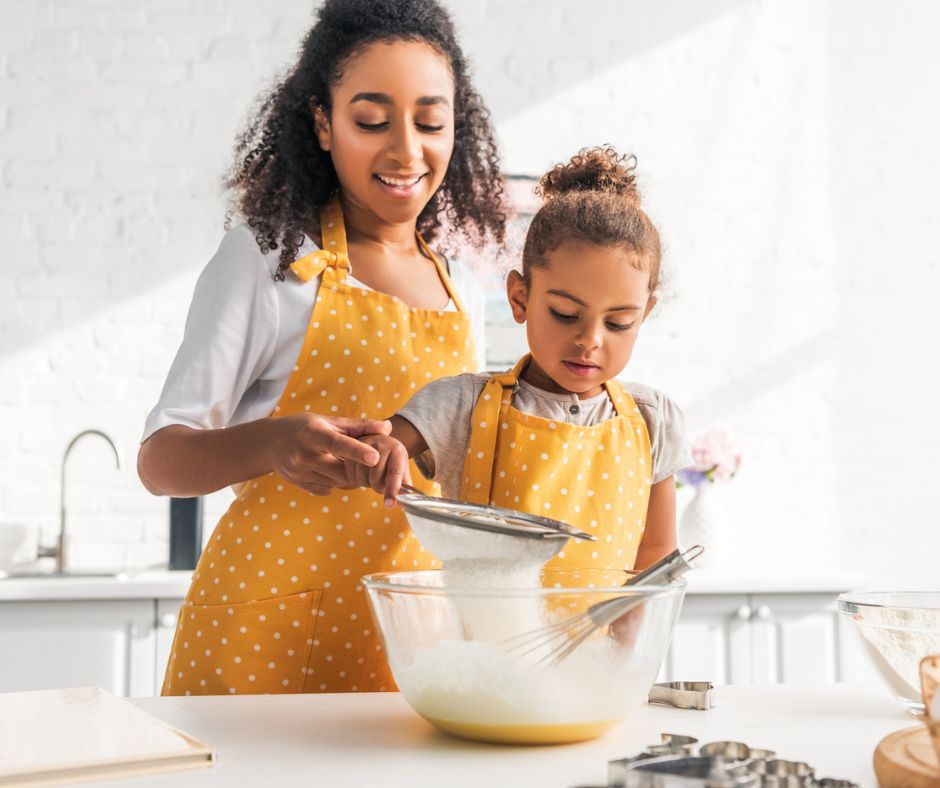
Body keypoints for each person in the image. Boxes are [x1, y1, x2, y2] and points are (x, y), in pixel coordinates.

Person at [137, 0, 506, 696]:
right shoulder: (270, 259)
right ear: (323, 124)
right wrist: (272, 444)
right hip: (262, 633)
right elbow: (160, 461)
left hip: (408, 639)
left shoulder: (457, 284)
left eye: (431, 122)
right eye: (371, 120)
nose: (405, 150)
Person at [349, 146, 691, 573]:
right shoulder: (462, 406)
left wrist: (627, 635)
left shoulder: (651, 421)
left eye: (619, 322)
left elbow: (657, 550)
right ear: (519, 297)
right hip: (482, 642)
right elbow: (382, 446)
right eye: (565, 314)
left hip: (603, 640)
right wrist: (379, 452)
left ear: (645, 315)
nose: (590, 339)